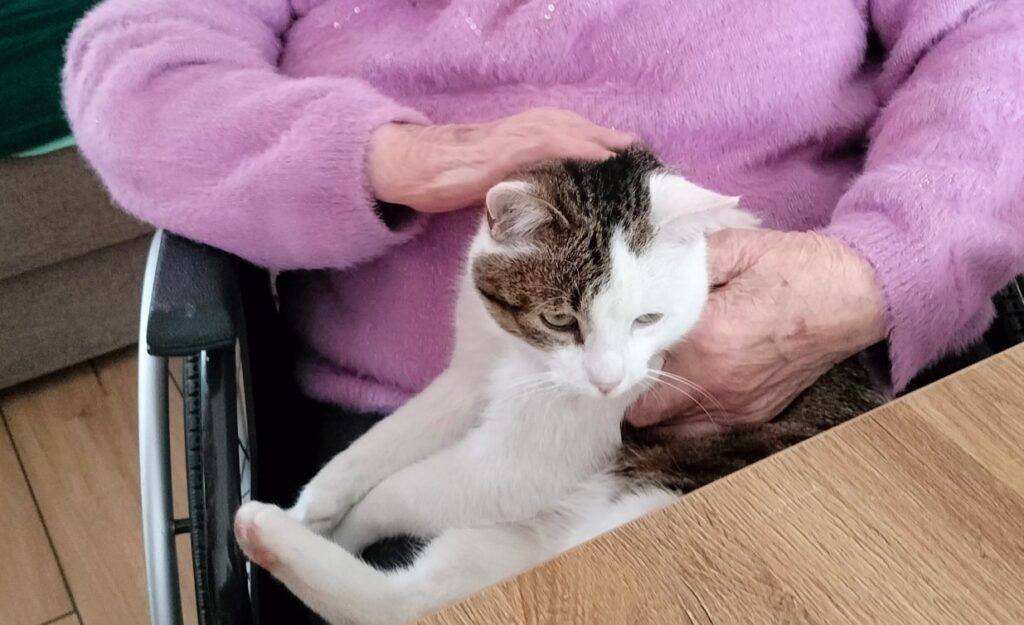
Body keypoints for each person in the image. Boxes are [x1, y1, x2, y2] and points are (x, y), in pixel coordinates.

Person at [64, 0, 1024, 436]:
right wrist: (403, 156)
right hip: (452, 429)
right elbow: (134, 72)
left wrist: (871, 273)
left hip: (830, 377)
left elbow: (995, 34)